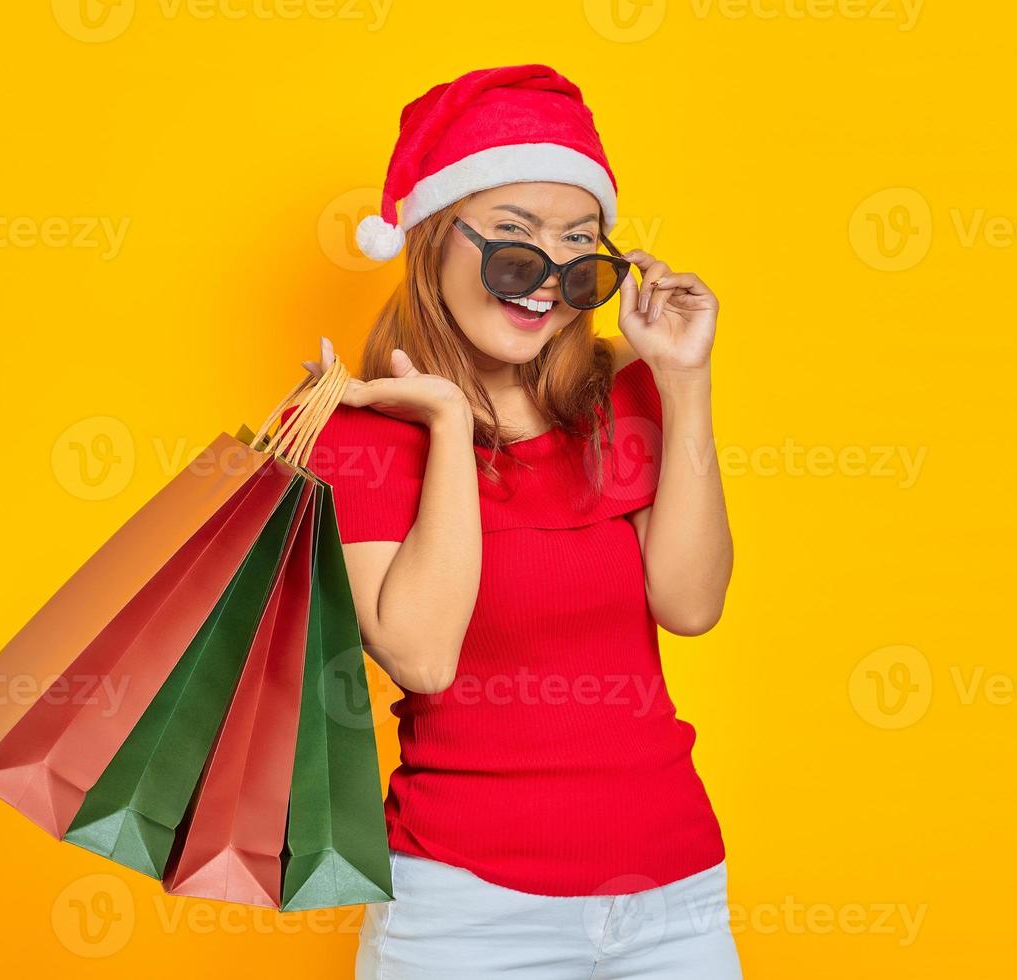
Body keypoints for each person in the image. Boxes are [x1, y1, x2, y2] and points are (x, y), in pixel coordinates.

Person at [301, 64, 741, 979]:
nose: (545, 277)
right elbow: (422, 656)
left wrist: (683, 381)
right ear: (432, 240)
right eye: (513, 240)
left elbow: (691, 604)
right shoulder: (363, 432)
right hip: (466, 911)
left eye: (578, 246)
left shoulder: (620, 396)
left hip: (675, 895)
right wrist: (451, 423)